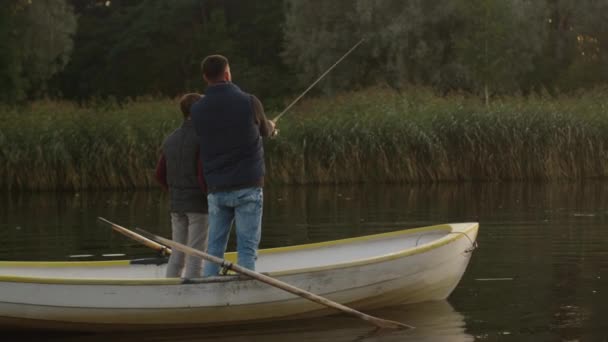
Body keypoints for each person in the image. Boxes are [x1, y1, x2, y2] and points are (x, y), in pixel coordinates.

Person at [191, 55, 276, 277]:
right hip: (248, 185)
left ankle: (209, 290)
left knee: (214, 250)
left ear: (205, 78)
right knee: (246, 249)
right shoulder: (249, 101)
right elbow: (265, 131)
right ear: (227, 74)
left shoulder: (197, 110)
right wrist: (272, 127)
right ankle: (245, 292)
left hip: (217, 189)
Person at [155, 93, 209, 278]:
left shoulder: (170, 139)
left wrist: (176, 191)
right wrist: (208, 194)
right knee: (196, 253)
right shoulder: (203, 138)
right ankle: (192, 293)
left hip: (176, 205)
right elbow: (203, 176)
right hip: (198, 205)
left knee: (177, 252)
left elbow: (159, 175)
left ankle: (171, 288)